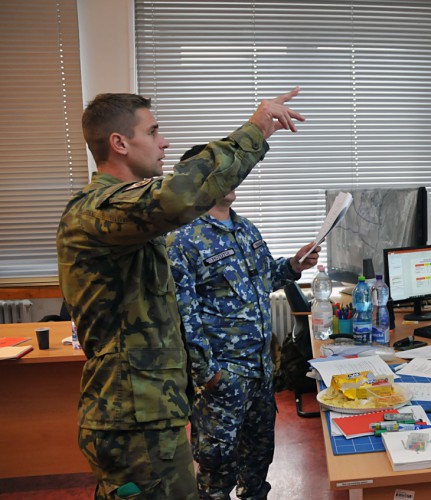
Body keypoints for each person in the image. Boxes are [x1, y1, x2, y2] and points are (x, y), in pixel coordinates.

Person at [57, 88, 304, 499]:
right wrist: (256, 129)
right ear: (119, 143)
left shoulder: (127, 215)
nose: (164, 142)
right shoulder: (100, 209)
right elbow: (180, 195)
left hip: (154, 411)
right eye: (153, 132)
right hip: (132, 417)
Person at [166, 144, 320, 499]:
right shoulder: (184, 238)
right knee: (216, 473)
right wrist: (210, 375)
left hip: (260, 374)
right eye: (220, 170)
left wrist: (295, 266)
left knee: (258, 464)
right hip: (222, 382)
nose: (232, 177)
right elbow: (183, 316)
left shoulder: (244, 228)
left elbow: (266, 277)